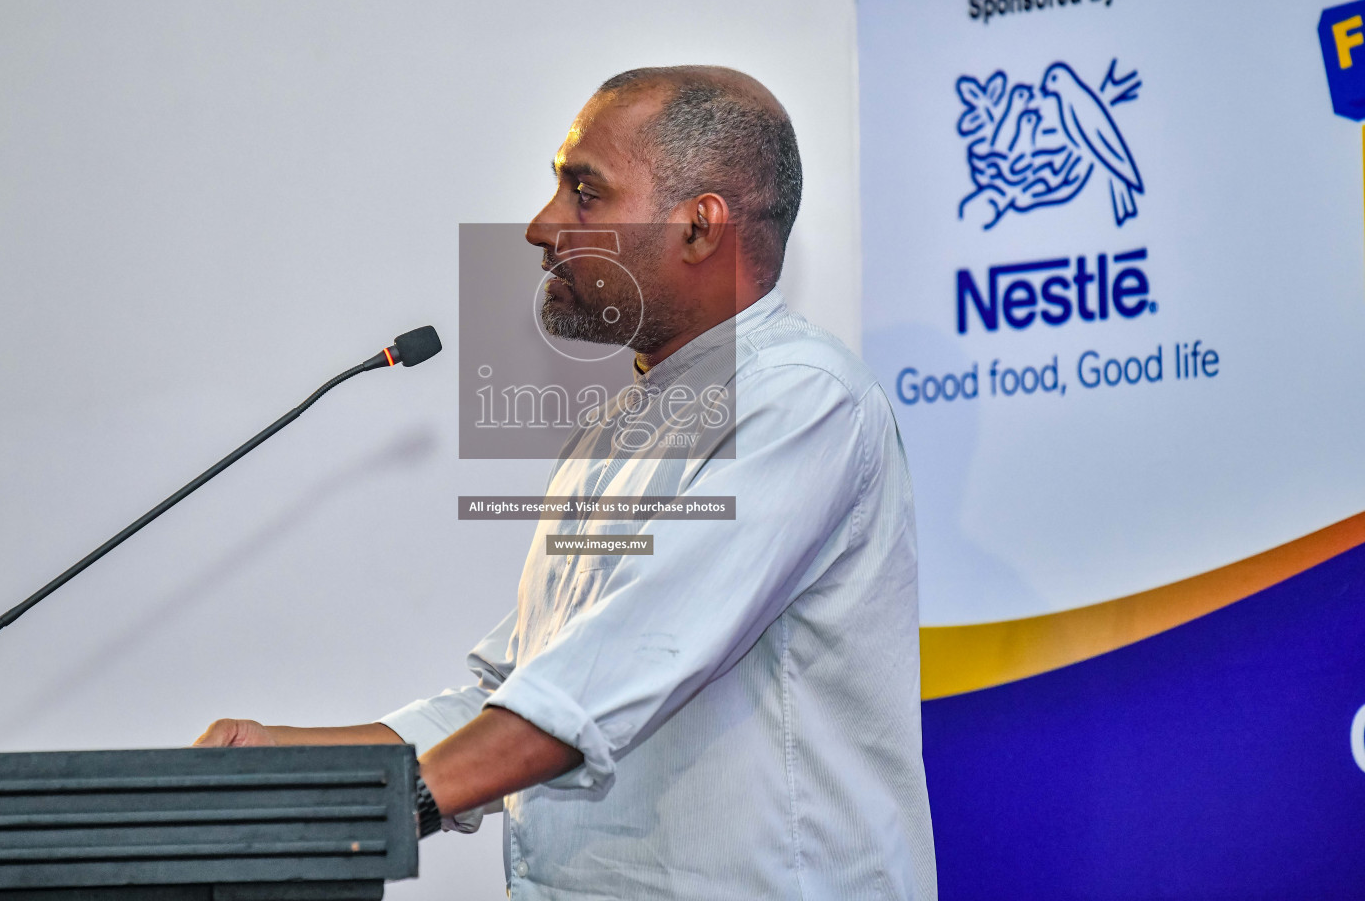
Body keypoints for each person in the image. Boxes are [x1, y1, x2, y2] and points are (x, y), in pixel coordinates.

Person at [196, 66, 936, 900]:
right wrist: (283, 761)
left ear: (699, 227)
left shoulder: (803, 397)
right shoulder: (614, 433)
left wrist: (380, 810)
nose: (542, 227)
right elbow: (514, 696)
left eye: (585, 192)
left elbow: (616, 670)